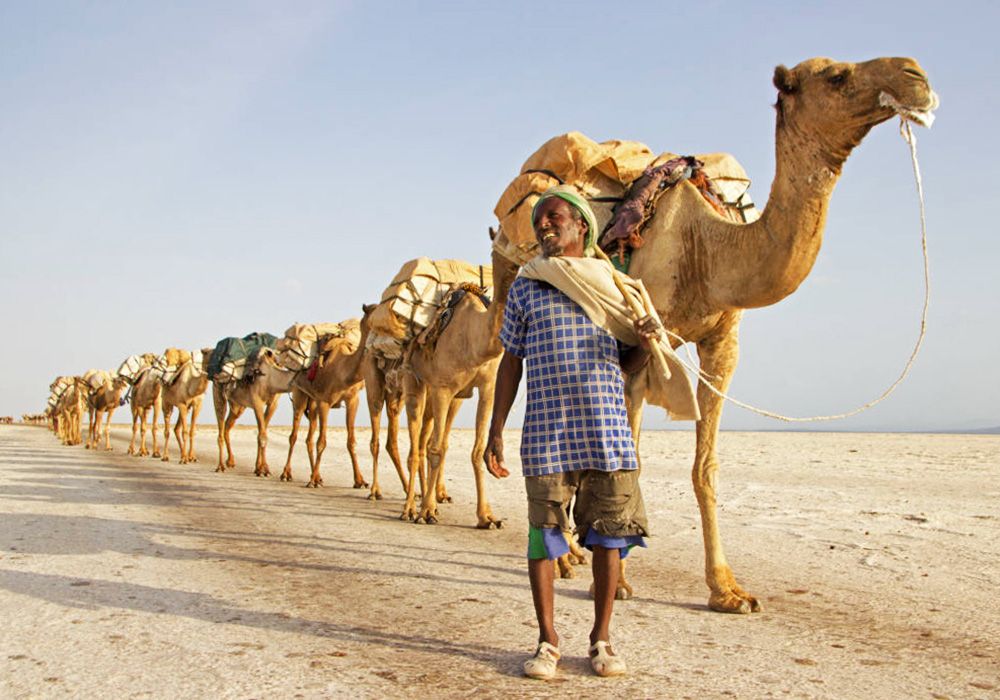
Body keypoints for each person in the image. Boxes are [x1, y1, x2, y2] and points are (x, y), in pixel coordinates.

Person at [485, 185, 661, 680]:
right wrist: (495, 428)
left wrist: (645, 344)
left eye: (554, 216)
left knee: (609, 537)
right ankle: (547, 641)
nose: (544, 225)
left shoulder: (614, 283)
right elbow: (511, 360)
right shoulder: (526, 285)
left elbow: (627, 364)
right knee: (543, 538)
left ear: (581, 225)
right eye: (539, 219)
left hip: (606, 425)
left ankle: (601, 640)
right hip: (546, 428)